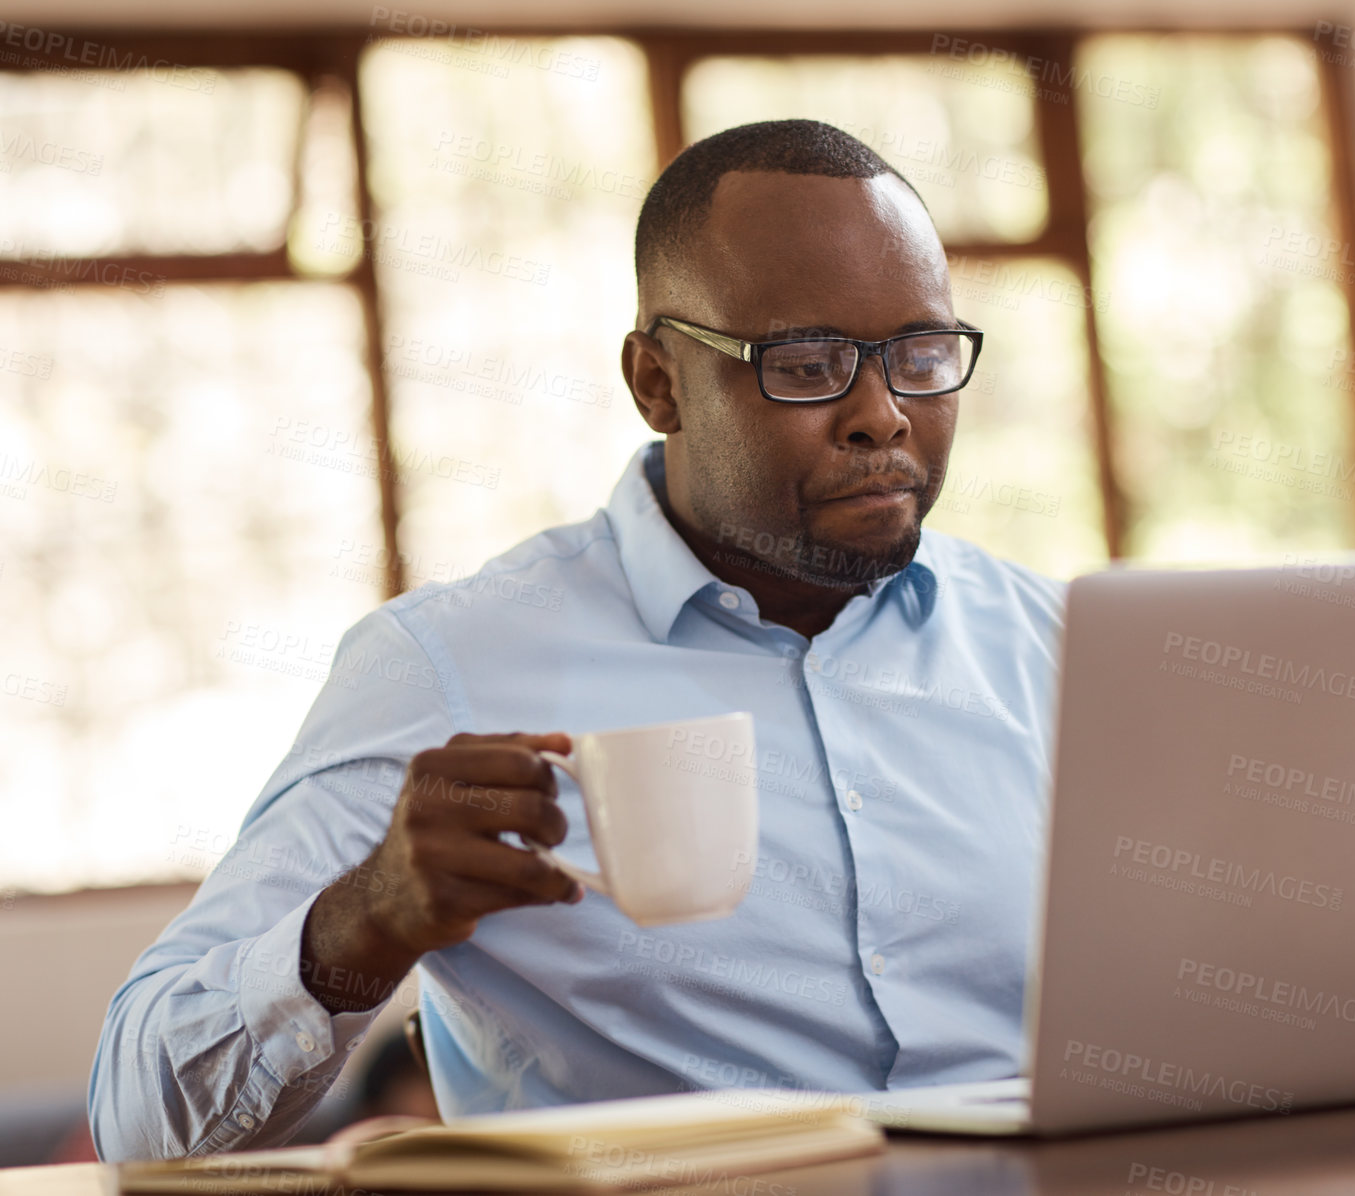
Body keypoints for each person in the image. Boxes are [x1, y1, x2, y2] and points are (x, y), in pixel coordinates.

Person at [88, 118, 1065, 1161]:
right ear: (656, 382)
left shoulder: (1051, 647)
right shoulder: (450, 664)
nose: (882, 415)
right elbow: (137, 1118)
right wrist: (360, 925)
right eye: (807, 362)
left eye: (919, 354)